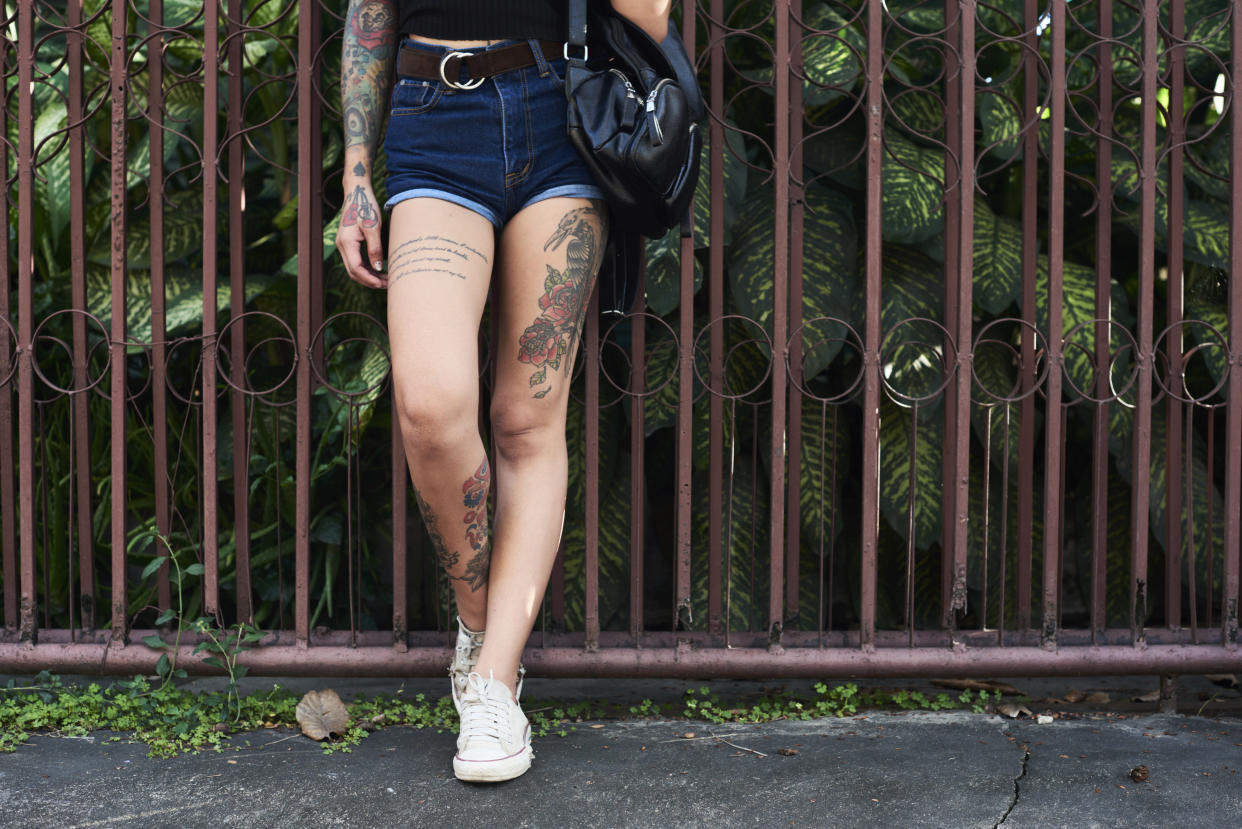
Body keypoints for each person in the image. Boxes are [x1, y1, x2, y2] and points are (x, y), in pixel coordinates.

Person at [334, 0, 671, 783]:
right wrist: (357, 171)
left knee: (527, 418)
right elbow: (369, 13)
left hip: (561, 113)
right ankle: (482, 627)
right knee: (430, 404)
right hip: (432, 118)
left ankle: (492, 683)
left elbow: (653, 14)